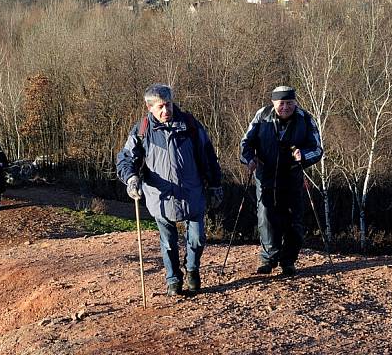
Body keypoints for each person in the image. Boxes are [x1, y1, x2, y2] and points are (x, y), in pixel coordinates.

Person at [116, 84, 222, 297]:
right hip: (161, 197)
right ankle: (173, 279)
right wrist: (131, 178)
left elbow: (208, 155)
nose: (166, 111)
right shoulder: (142, 130)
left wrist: (215, 184)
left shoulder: (191, 125)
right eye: (160, 107)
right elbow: (126, 159)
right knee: (168, 242)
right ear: (150, 108)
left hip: (193, 193)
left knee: (198, 238)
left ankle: (192, 269)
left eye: (168, 105)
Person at [240, 86, 323, 276]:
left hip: (292, 176)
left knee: (294, 220)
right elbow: (246, 142)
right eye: (281, 103)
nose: (285, 107)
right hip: (265, 175)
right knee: (266, 216)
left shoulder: (305, 119)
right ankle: (268, 259)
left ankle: (288, 261)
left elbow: (317, 149)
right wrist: (249, 159)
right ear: (273, 103)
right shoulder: (262, 115)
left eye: (289, 103)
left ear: (295, 102)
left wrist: (303, 155)